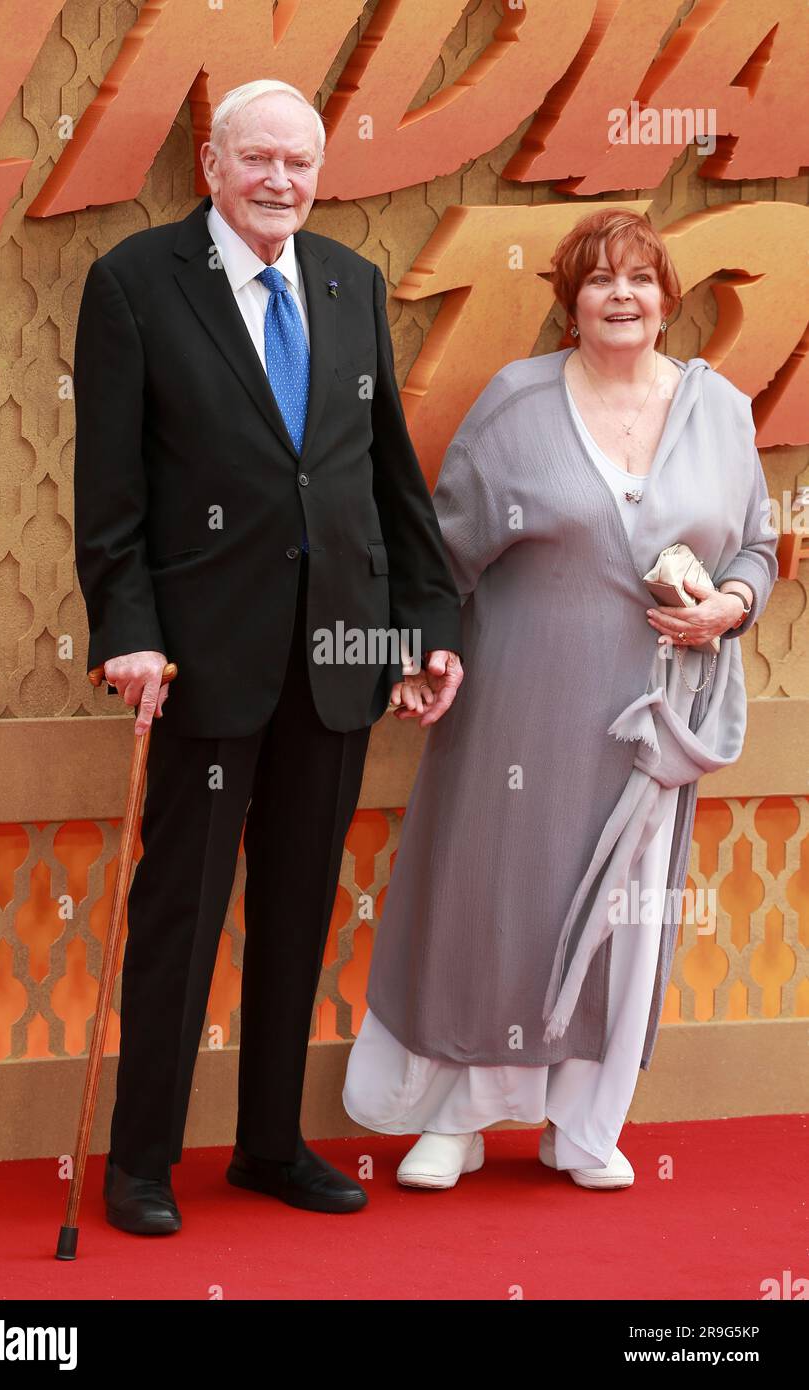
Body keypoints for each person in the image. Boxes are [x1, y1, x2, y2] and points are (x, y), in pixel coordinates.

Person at [73, 79, 464, 1232]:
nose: (282, 181)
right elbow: (111, 493)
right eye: (259, 161)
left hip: (336, 657)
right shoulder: (135, 284)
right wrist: (127, 628)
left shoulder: (350, 282)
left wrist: (422, 628)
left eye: (300, 161)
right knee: (180, 915)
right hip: (201, 659)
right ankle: (140, 1160)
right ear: (211, 161)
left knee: (297, 909)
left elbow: (385, 477)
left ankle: (269, 1146)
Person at [343, 207, 778, 1191]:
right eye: (597, 280)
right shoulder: (517, 400)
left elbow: (754, 545)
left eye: (639, 279)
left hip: (656, 712)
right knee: (495, 902)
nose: (620, 295)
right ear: (568, 301)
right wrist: (415, 656)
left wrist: (728, 606)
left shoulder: (717, 408)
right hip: (518, 706)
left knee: (624, 917)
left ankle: (583, 1125)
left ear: (668, 300)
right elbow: (444, 552)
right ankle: (454, 1116)